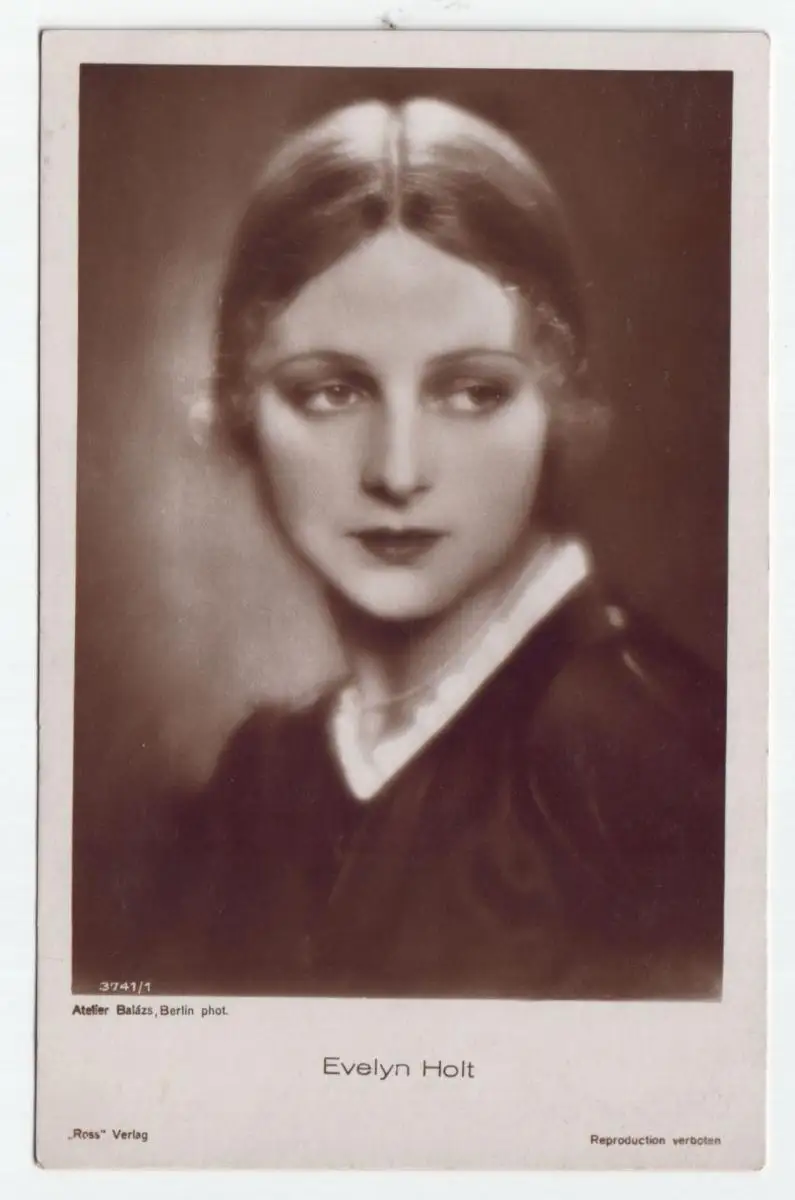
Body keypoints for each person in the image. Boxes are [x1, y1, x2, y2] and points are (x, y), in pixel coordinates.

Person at [127, 97, 725, 1000]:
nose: (397, 471)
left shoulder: (635, 747)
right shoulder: (264, 782)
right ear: (242, 406)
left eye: (472, 392)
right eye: (331, 391)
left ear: (556, 404)